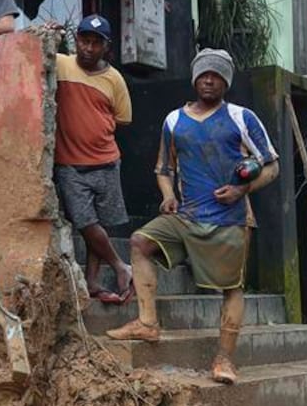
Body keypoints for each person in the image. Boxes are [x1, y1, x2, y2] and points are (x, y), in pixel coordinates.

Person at [106, 49, 279, 385]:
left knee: (231, 287)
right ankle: (147, 323)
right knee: (141, 241)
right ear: (195, 78)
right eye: (203, 74)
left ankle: (224, 358)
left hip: (230, 219)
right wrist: (169, 195)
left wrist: (243, 190)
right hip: (186, 215)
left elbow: (272, 165)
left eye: (216, 75)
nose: (209, 79)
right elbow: (163, 169)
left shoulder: (242, 117)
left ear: (225, 81)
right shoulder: (174, 120)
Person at [53, 15, 133, 304]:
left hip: (107, 160)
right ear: (76, 42)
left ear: (106, 48)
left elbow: (123, 118)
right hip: (70, 163)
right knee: (85, 222)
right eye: (84, 41)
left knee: (100, 223)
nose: (88, 48)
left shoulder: (114, 79)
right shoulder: (61, 64)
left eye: (95, 43)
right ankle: (120, 266)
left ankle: (93, 280)